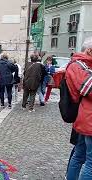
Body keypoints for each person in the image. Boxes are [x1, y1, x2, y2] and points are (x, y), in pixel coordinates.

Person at [66, 36, 92, 180]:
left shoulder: (81, 64)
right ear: (89, 50)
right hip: (87, 118)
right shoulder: (78, 65)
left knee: (80, 155)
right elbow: (88, 88)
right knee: (89, 162)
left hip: (85, 117)